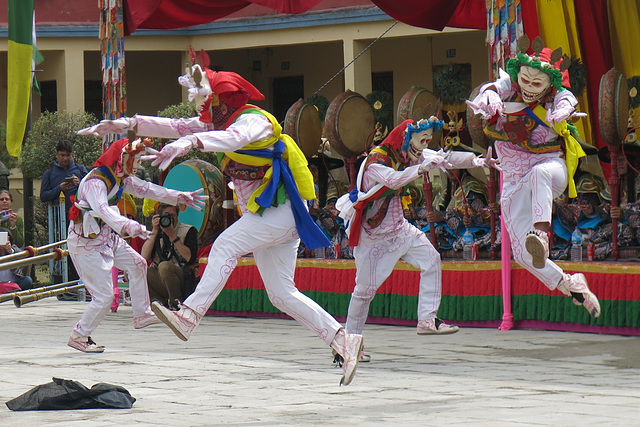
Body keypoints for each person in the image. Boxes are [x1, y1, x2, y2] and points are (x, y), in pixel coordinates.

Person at [78, 61, 364, 385]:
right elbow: (172, 126)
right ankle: (343, 340)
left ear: (218, 99)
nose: (197, 109)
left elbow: (231, 139)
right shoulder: (217, 123)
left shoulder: (254, 122)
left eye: (201, 100)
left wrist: (189, 143)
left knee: (225, 245)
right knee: (282, 294)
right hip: (270, 216)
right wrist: (122, 124)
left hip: (283, 211)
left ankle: (190, 314)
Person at [466, 36, 600, 317]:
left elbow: (568, 100)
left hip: (550, 170)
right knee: (524, 256)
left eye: (536, 83)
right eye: (525, 80)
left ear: (549, 83)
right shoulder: (508, 87)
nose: (528, 88)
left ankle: (541, 233)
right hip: (514, 181)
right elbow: (489, 88)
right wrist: (489, 97)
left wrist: (562, 113)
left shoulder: (556, 97)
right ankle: (570, 284)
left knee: (539, 173)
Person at [336, 117, 495, 352]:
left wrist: (476, 160)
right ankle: (349, 346)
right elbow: (392, 179)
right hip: (374, 236)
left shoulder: (409, 154)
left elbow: (443, 157)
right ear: (406, 138)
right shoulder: (377, 160)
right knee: (364, 292)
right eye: (421, 140)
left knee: (432, 259)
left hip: (400, 230)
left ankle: (427, 320)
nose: (424, 146)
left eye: (427, 140)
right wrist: (420, 168)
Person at [64, 137, 206, 353]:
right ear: (122, 159)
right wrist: (130, 226)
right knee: (104, 296)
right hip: (86, 244)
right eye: (136, 159)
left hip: (106, 237)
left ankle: (141, 314)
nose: (138, 165)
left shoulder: (119, 178)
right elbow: (103, 210)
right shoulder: (95, 183)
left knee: (139, 263)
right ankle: (79, 335)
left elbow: (148, 189)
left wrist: (180, 197)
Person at [141, 202, 198, 310]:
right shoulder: (157, 231)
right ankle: (157, 303)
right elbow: (144, 256)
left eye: (172, 216)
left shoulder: (188, 230)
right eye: (166, 216)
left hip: (180, 276)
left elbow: (190, 258)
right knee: (138, 270)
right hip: (160, 278)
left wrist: (172, 235)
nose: (170, 219)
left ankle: (176, 302)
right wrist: (155, 230)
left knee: (164, 266)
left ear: (177, 216)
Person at [40, 140, 89, 217]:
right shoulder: (49, 173)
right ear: (56, 154)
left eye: (68, 155)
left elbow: (90, 191)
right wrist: (60, 188)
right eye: (62, 155)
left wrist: (79, 185)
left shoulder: (80, 169)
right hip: (58, 217)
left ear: (72, 155)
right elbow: (43, 196)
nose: (65, 158)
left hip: (78, 216)